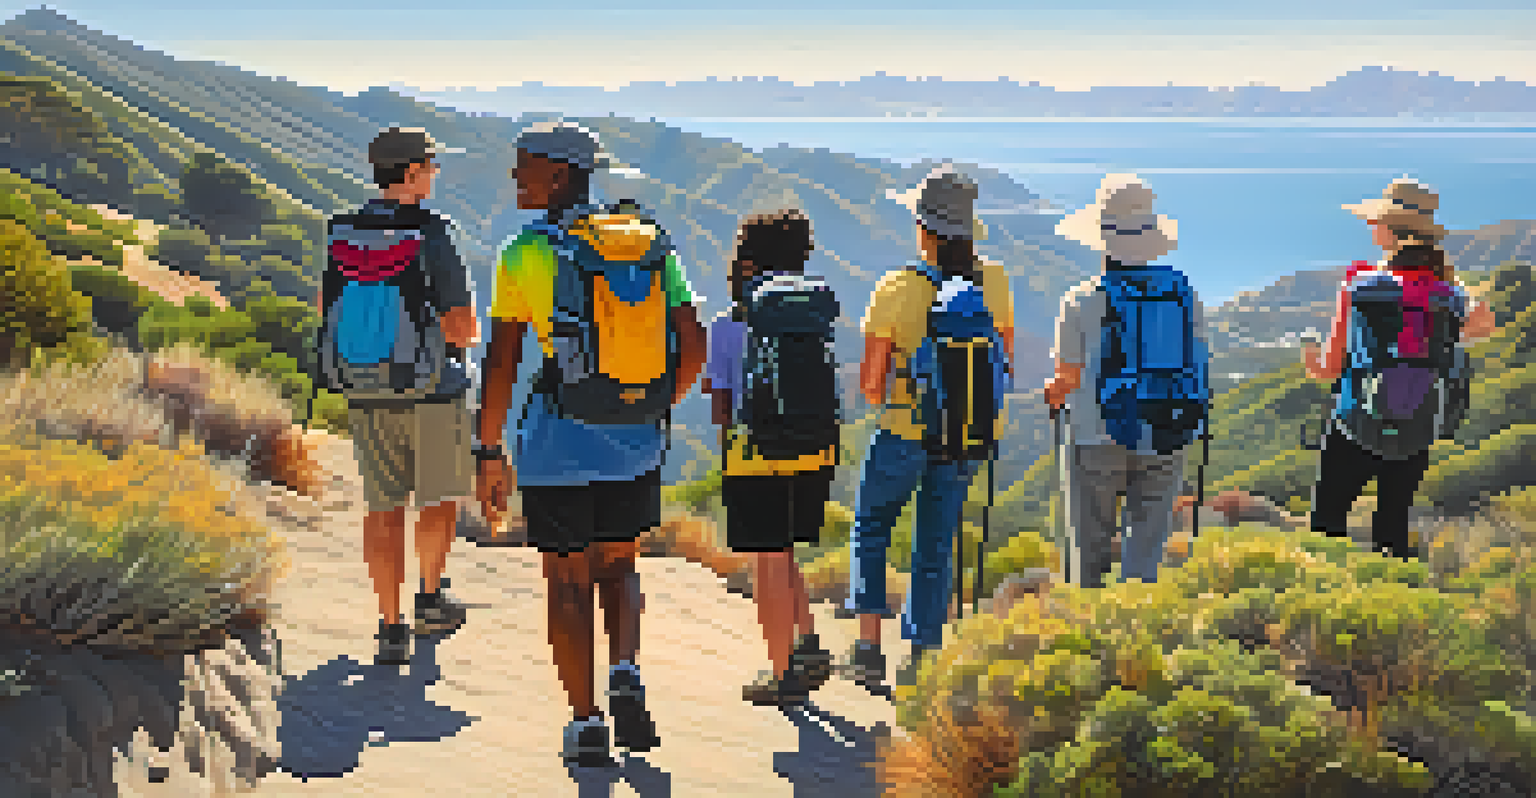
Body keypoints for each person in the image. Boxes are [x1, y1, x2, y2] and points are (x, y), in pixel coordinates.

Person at [475, 121, 708, 769]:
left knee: (566, 582)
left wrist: (488, 448)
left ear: (559, 173)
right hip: (636, 445)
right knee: (620, 568)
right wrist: (650, 406)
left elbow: (502, 362)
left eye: (525, 167)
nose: (516, 178)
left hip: (556, 445)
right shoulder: (648, 245)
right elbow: (694, 343)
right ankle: (625, 671)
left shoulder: (524, 252)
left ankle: (585, 722)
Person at [843, 166, 1016, 693]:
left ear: (924, 229)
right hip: (967, 435)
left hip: (904, 431)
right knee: (934, 545)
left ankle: (868, 649)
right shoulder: (995, 282)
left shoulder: (897, 287)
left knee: (871, 527)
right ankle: (922, 658)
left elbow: (872, 386)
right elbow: (1004, 362)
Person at [317, 126, 475, 667]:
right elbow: (460, 325)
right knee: (438, 498)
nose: (434, 174)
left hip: (364, 386)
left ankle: (389, 626)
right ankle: (429, 600)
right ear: (410, 172)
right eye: (430, 165)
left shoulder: (343, 230)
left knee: (384, 506)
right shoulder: (433, 233)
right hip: (434, 390)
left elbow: (326, 308)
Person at [1302, 178, 1495, 559]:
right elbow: (1482, 324)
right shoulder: (1448, 291)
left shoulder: (1360, 286)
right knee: (1392, 525)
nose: (1371, 227)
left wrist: (1311, 359)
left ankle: (1328, 602)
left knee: (1327, 524)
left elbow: (1328, 368)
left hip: (1355, 420)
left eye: (1375, 221)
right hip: (1419, 422)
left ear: (1389, 230)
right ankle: (1394, 598)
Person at [1045, 173, 1209, 589]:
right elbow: (1199, 359)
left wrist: (1051, 395)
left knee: (1089, 548)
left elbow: (1068, 377)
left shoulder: (1081, 298)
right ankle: (1136, 634)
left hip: (1097, 438)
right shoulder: (1183, 293)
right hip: (1167, 428)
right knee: (1146, 548)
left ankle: (1088, 637)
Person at [703, 209, 838, 708]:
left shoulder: (729, 324)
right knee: (786, 551)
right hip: (815, 446)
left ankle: (781, 673)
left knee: (767, 558)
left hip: (754, 452)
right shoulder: (814, 315)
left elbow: (722, 408)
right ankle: (806, 642)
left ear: (747, 261)